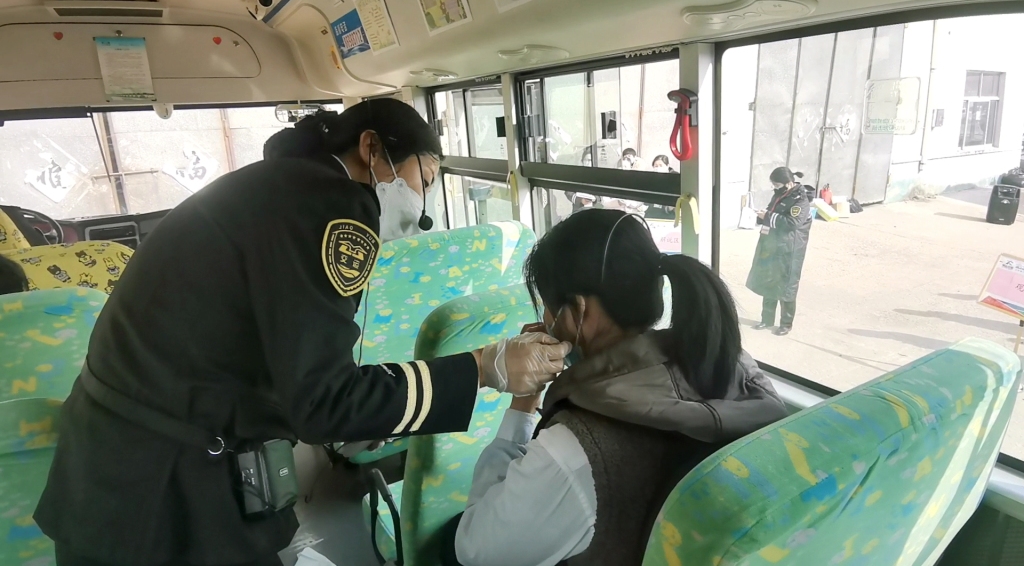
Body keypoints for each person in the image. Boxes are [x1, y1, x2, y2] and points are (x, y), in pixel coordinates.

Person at [35, 99, 571, 566]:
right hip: (158, 489)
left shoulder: (282, 191)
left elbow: (274, 357)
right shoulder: (330, 208)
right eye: (423, 180)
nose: (424, 210)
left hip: (130, 458)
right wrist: (483, 367)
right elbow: (323, 403)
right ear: (372, 149)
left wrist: (360, 406)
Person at [443, 209, 789, 566]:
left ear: (579, 311)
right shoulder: (734, 370)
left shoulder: (573, 451)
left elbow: (475, 550)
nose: (546, 322)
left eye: (549, 310)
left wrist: (523, 404)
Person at [746, 166, 812, 336]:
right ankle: (767, 319)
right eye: (773, 184)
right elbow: (772, 211)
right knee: (769, 280)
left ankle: (786, 323)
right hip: (773, 245)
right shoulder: (780, 194)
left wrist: (767, 217)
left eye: (776, 184)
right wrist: (763, 214)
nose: (774, 187)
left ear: (788, 183)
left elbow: (793, 223)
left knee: (787, 284)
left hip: (790, 249)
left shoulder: (800, 200)